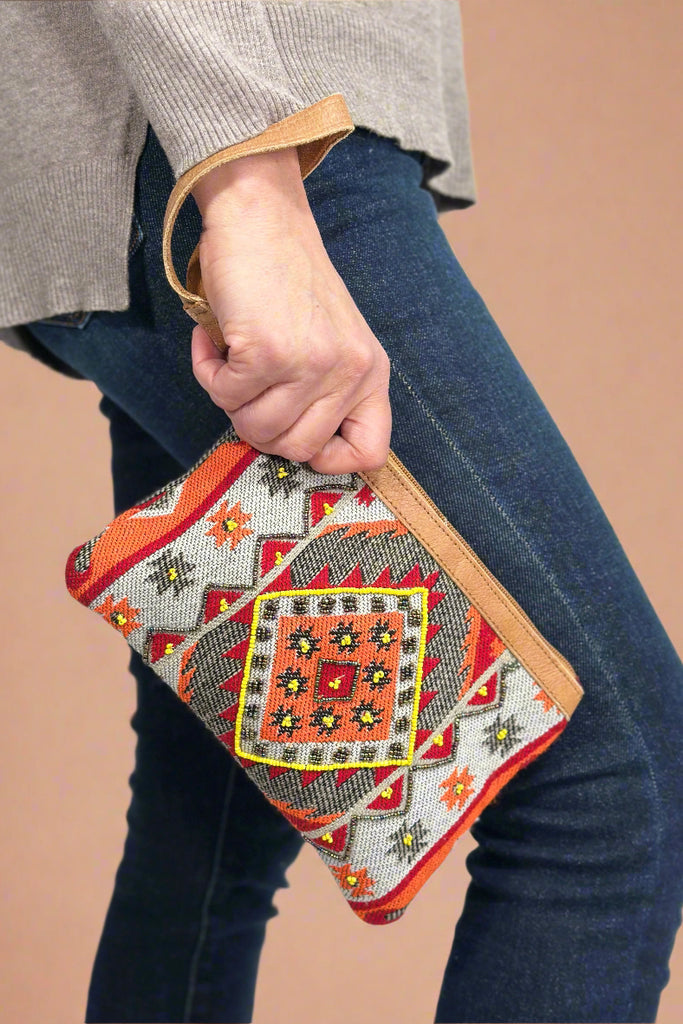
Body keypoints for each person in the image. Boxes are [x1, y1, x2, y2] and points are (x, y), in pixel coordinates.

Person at [1, 3, 681, 1022]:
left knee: (209, 827)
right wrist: (243, 175)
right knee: (616, 787)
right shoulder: (244, 158)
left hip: (165, 140)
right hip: (238, 134)